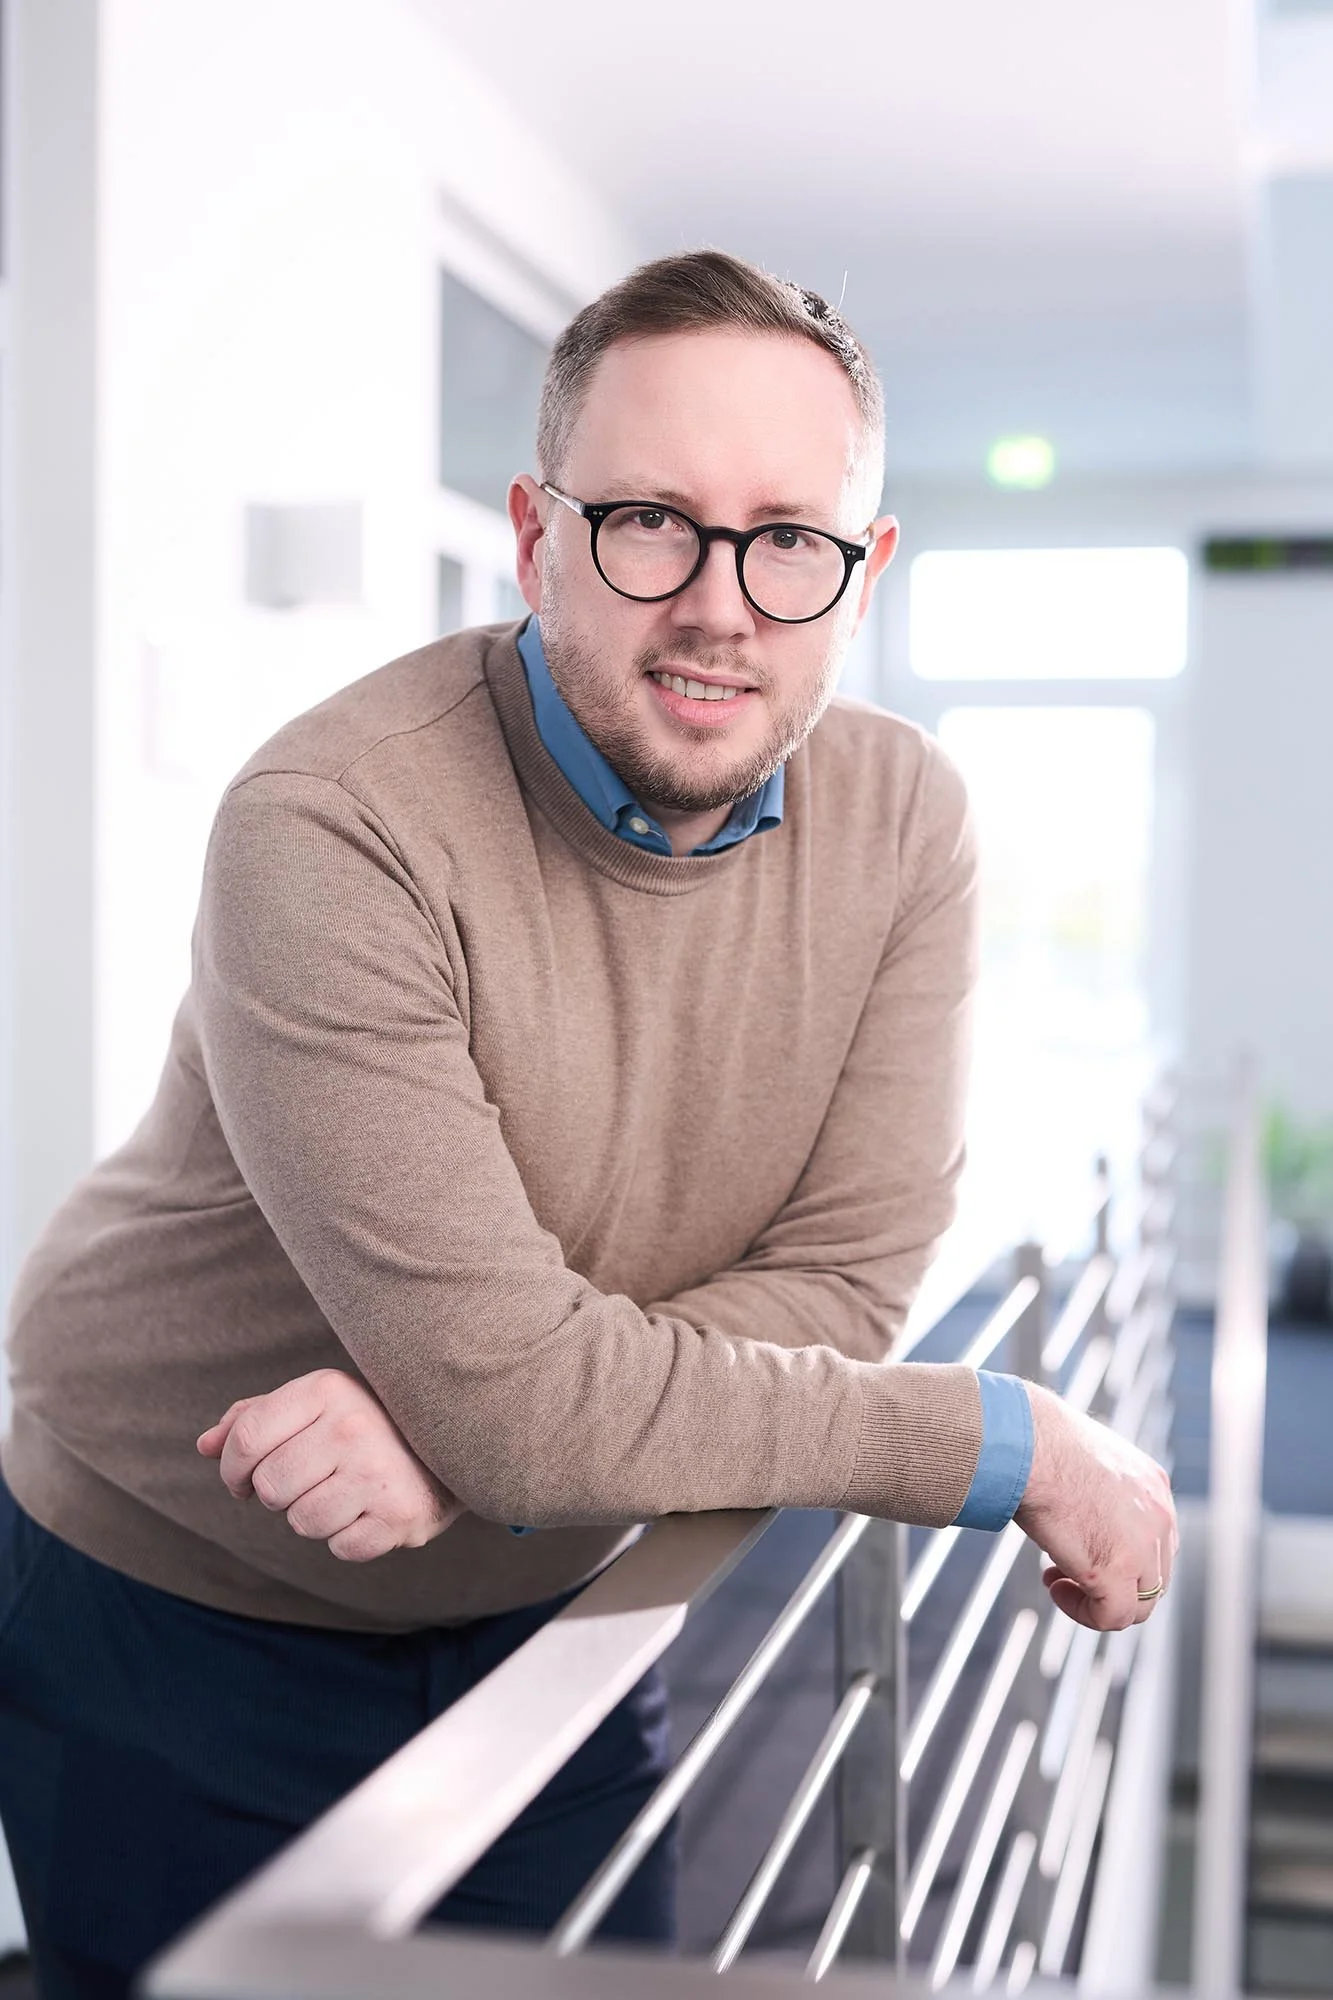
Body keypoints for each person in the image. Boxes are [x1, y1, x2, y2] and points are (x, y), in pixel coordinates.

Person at [0, 250, 1176, 1999]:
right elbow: (538, 1411)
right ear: (536, 534)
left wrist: (485, 1428)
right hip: (175, 1604)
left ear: (864, 576)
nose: (722, 603)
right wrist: (996, 1439)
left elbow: (842, 1286)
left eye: (790, 538)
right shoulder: (333, 823)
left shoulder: (907, 822)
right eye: (648, 522)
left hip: (555, 1608)